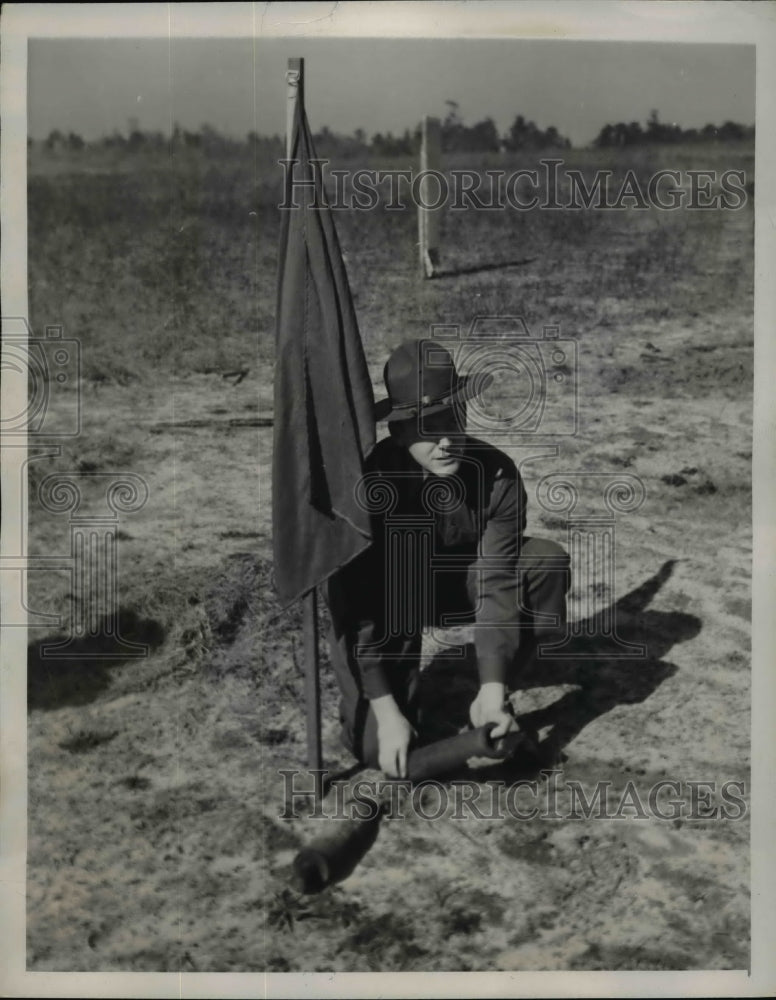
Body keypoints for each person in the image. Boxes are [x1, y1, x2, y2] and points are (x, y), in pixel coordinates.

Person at [326, 339, 570, 778]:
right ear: (398, 432)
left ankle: (492, 695)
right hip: (388, 606)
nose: (445, 441)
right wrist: (385, 711)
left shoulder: (496, 475)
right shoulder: (370, 486)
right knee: (376, 748)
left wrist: (493, 690)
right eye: (426, 426)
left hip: (456, 586)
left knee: (544, 562)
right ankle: (398, 701)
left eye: (453, 419)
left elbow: (499, 582)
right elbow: (359, 607)